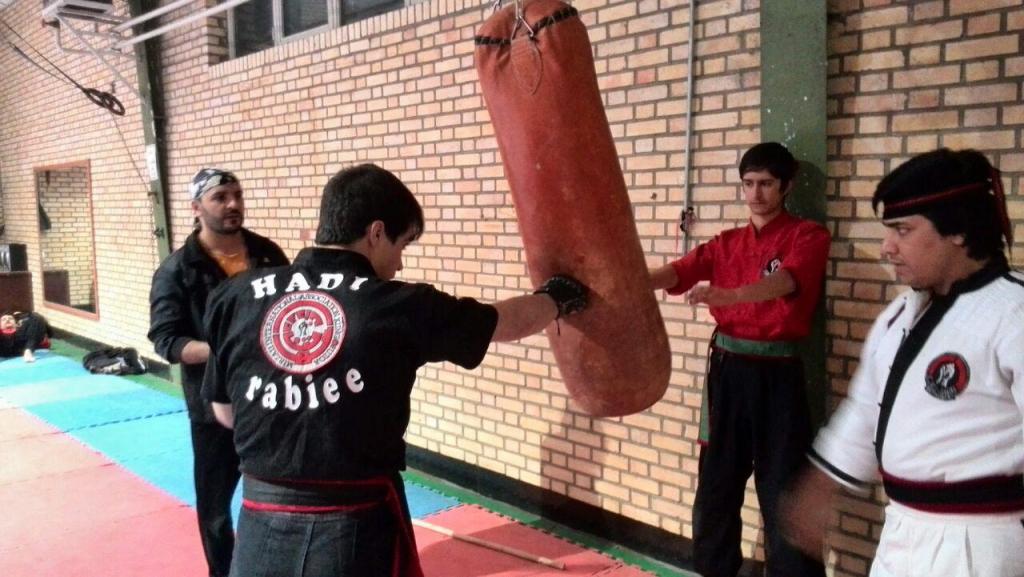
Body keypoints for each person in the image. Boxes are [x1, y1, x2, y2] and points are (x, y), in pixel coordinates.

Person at [201, 164, 588, 577]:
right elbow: (503, 323)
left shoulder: (235, 296)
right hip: (352, 528)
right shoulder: (399, 305)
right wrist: (557, 297)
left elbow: (224, 412)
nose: (400, 264)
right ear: (376, 232)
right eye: (402, 245)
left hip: (259, 521)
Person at [782, 148, 1024, 577]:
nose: (887, 248)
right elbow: (865, 409)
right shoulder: (900, 314)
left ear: (958, 230)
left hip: (979, 543)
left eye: (903, 230)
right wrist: (821, 484)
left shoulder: (1012, 311)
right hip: (902, 531)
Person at [649, 142, 830, 577]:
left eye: (765, 184)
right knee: (716, 484)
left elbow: (786, 281)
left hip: (778, 374)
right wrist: (627, 281)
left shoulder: (807, 236)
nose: (755, 194)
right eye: (748, 184)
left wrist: (730, 295)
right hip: (728, 372)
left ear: (787, 185)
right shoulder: (725, 243)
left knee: (784, 489)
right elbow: (678, 272)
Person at [147, 168, 289, 577]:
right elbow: (167, 341)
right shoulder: (177, 270)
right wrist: (225, 349)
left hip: (270, 400)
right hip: (213, 407)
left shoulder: (267, 254)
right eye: (220, 197)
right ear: (196, 208)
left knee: (282, 495)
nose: (232, 204)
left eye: (237, 195)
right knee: (215, 508)